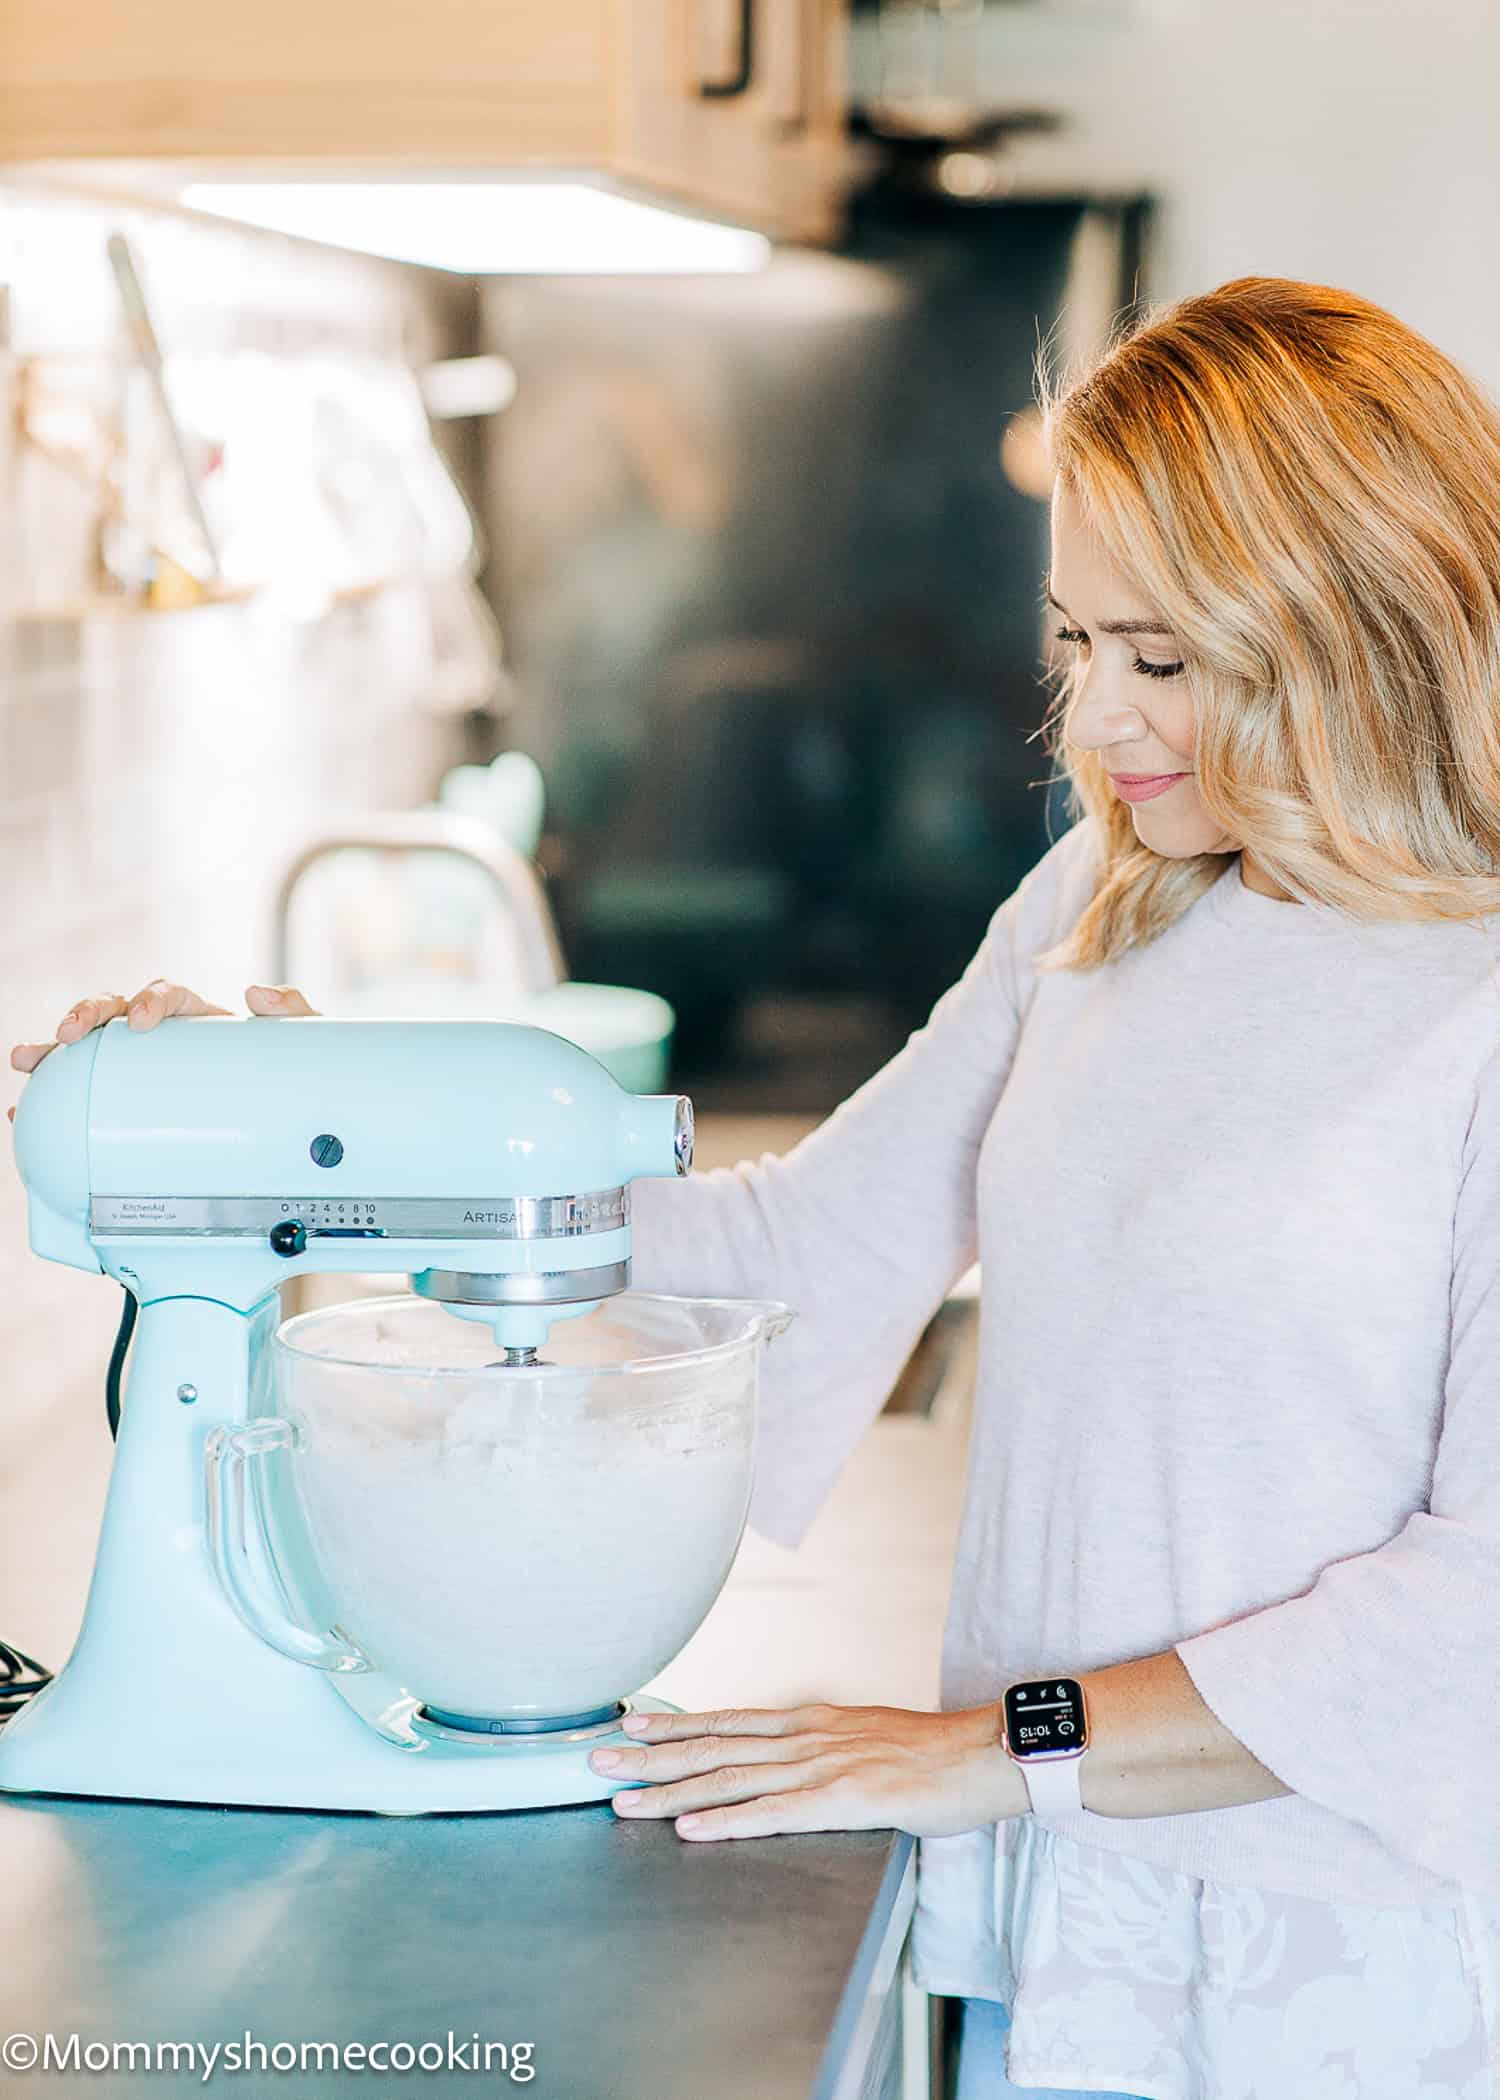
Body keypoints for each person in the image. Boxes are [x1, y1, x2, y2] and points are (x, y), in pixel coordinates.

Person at [16, 277, 1500, 2098]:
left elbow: (1473, 1611)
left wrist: (982, 1748)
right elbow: (807, 1246)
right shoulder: (1108, 909)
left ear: (1354, 624)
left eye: (1163, 659)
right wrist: (309, 1118)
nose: (1093, 723)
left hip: (1344, 1972)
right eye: (1075, 646)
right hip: (1062, 1911)